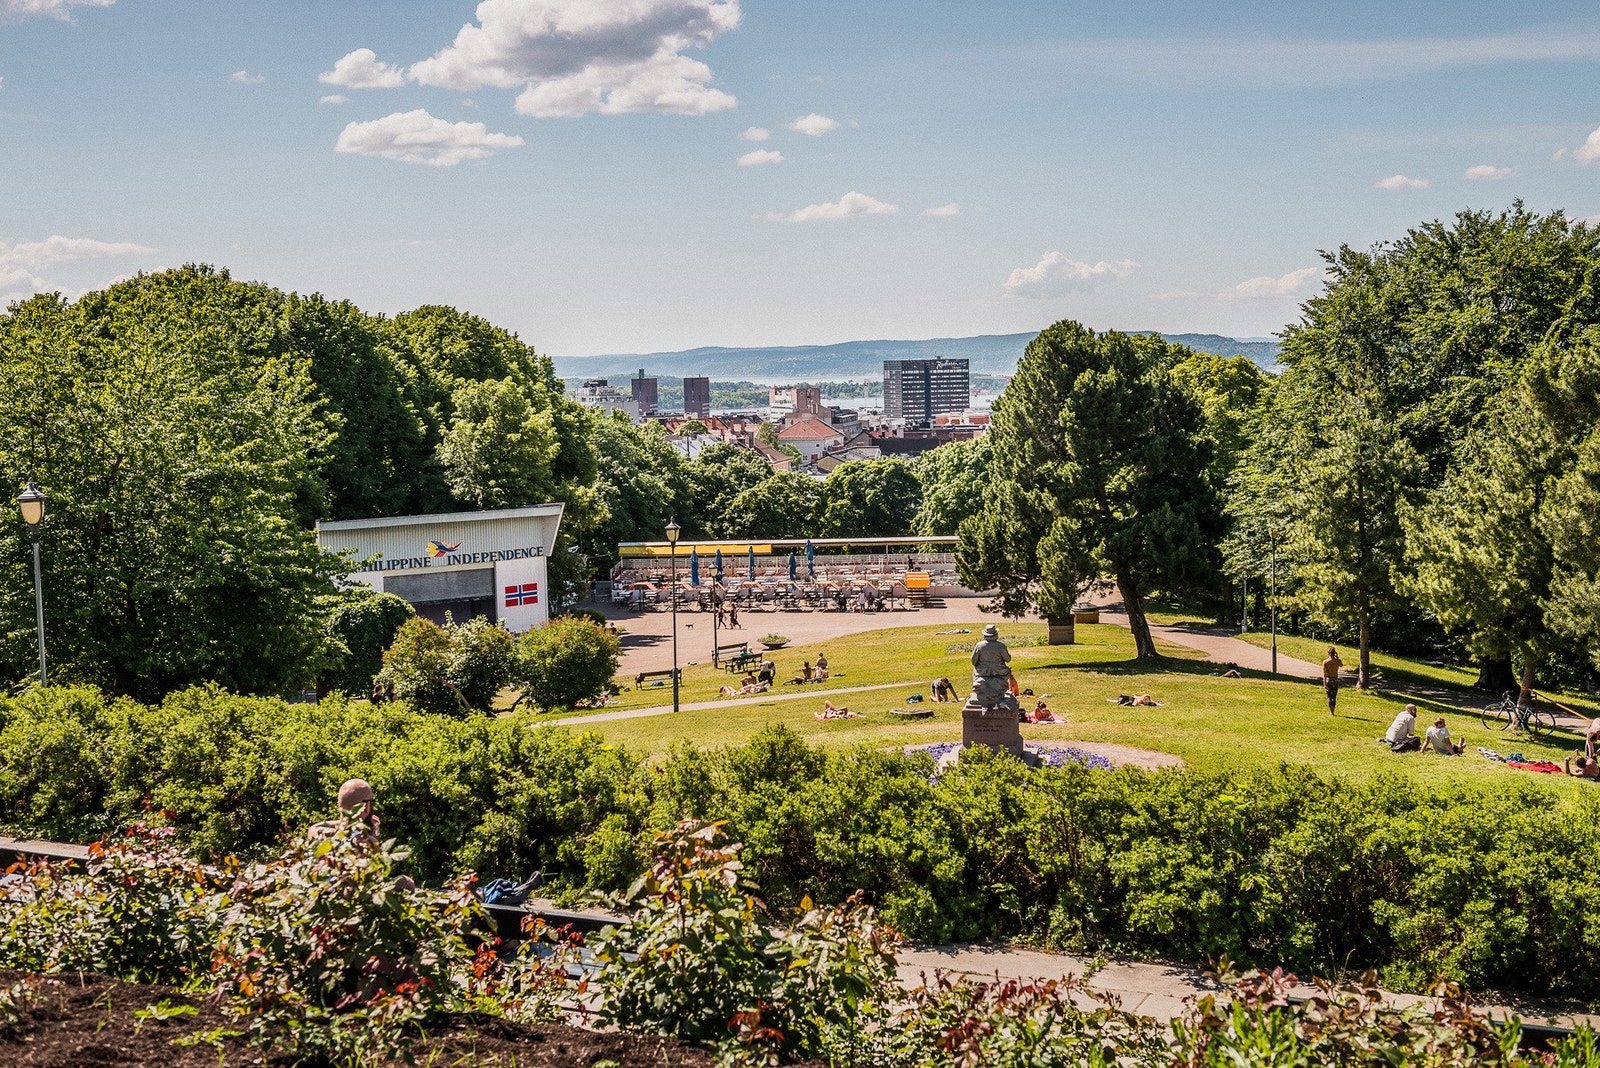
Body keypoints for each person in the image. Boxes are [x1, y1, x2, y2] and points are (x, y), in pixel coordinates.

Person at [1322, 646, 1344, 716]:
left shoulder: (1325, 662)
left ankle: (1331, 712)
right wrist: (1337, 657)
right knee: (1334, 697)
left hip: (1328, 679)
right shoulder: (1337, 661)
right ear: (1334, 653)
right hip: (1335, 679)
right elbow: (1341, 665)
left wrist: (1324, 684)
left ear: (1328, 653)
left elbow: (1324, 674)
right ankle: (1333, 711)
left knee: (1329, 696)